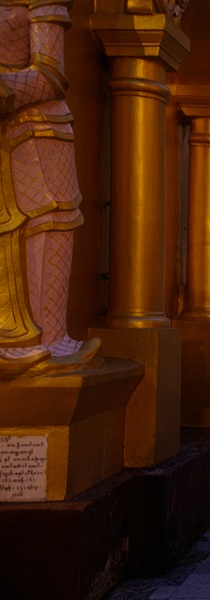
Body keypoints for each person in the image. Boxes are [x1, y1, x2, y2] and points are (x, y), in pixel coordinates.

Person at [0, 0, 97, 373]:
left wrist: (4, 87)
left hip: (36, 127)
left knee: (48, 221)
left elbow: (49, 73)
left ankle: (51, 338)